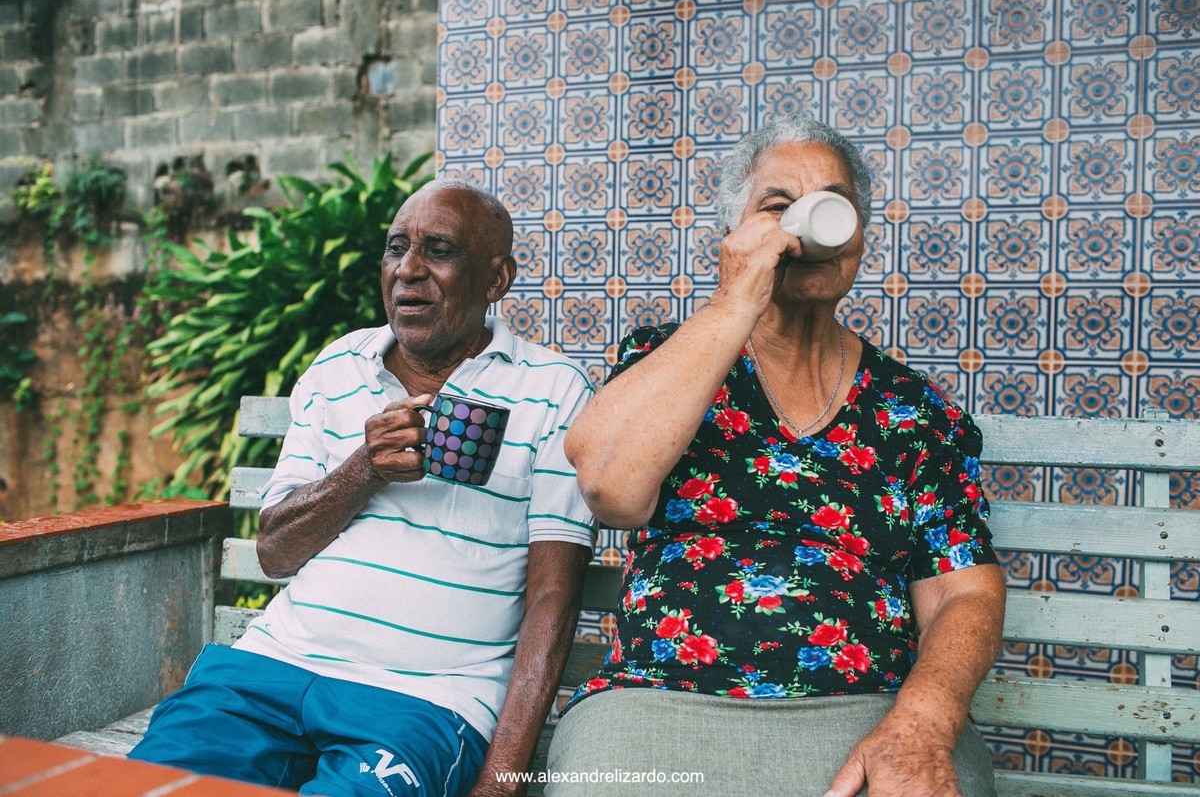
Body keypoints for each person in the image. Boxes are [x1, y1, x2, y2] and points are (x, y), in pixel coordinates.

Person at [546, 116, 1005, 797]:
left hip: (868, 711)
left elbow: (965, 588)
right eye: (776, 206)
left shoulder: (914, 412)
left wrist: (922, 720)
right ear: (736, 235)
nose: (805, 224)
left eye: (830, 204)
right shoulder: (665, 362)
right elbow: (610, 489)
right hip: (659, 702)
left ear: (857, 238)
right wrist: (738, 299)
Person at [130, 179, 598, 797]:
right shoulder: (337, 368)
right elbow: (275, 552)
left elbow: (552, 597)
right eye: (396, 248)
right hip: (270, 669)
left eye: (439, 250)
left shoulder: (554, 389)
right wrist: (363, 469)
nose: (408, 270)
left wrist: (503, 780)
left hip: (426, 697)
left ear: (496, 280)